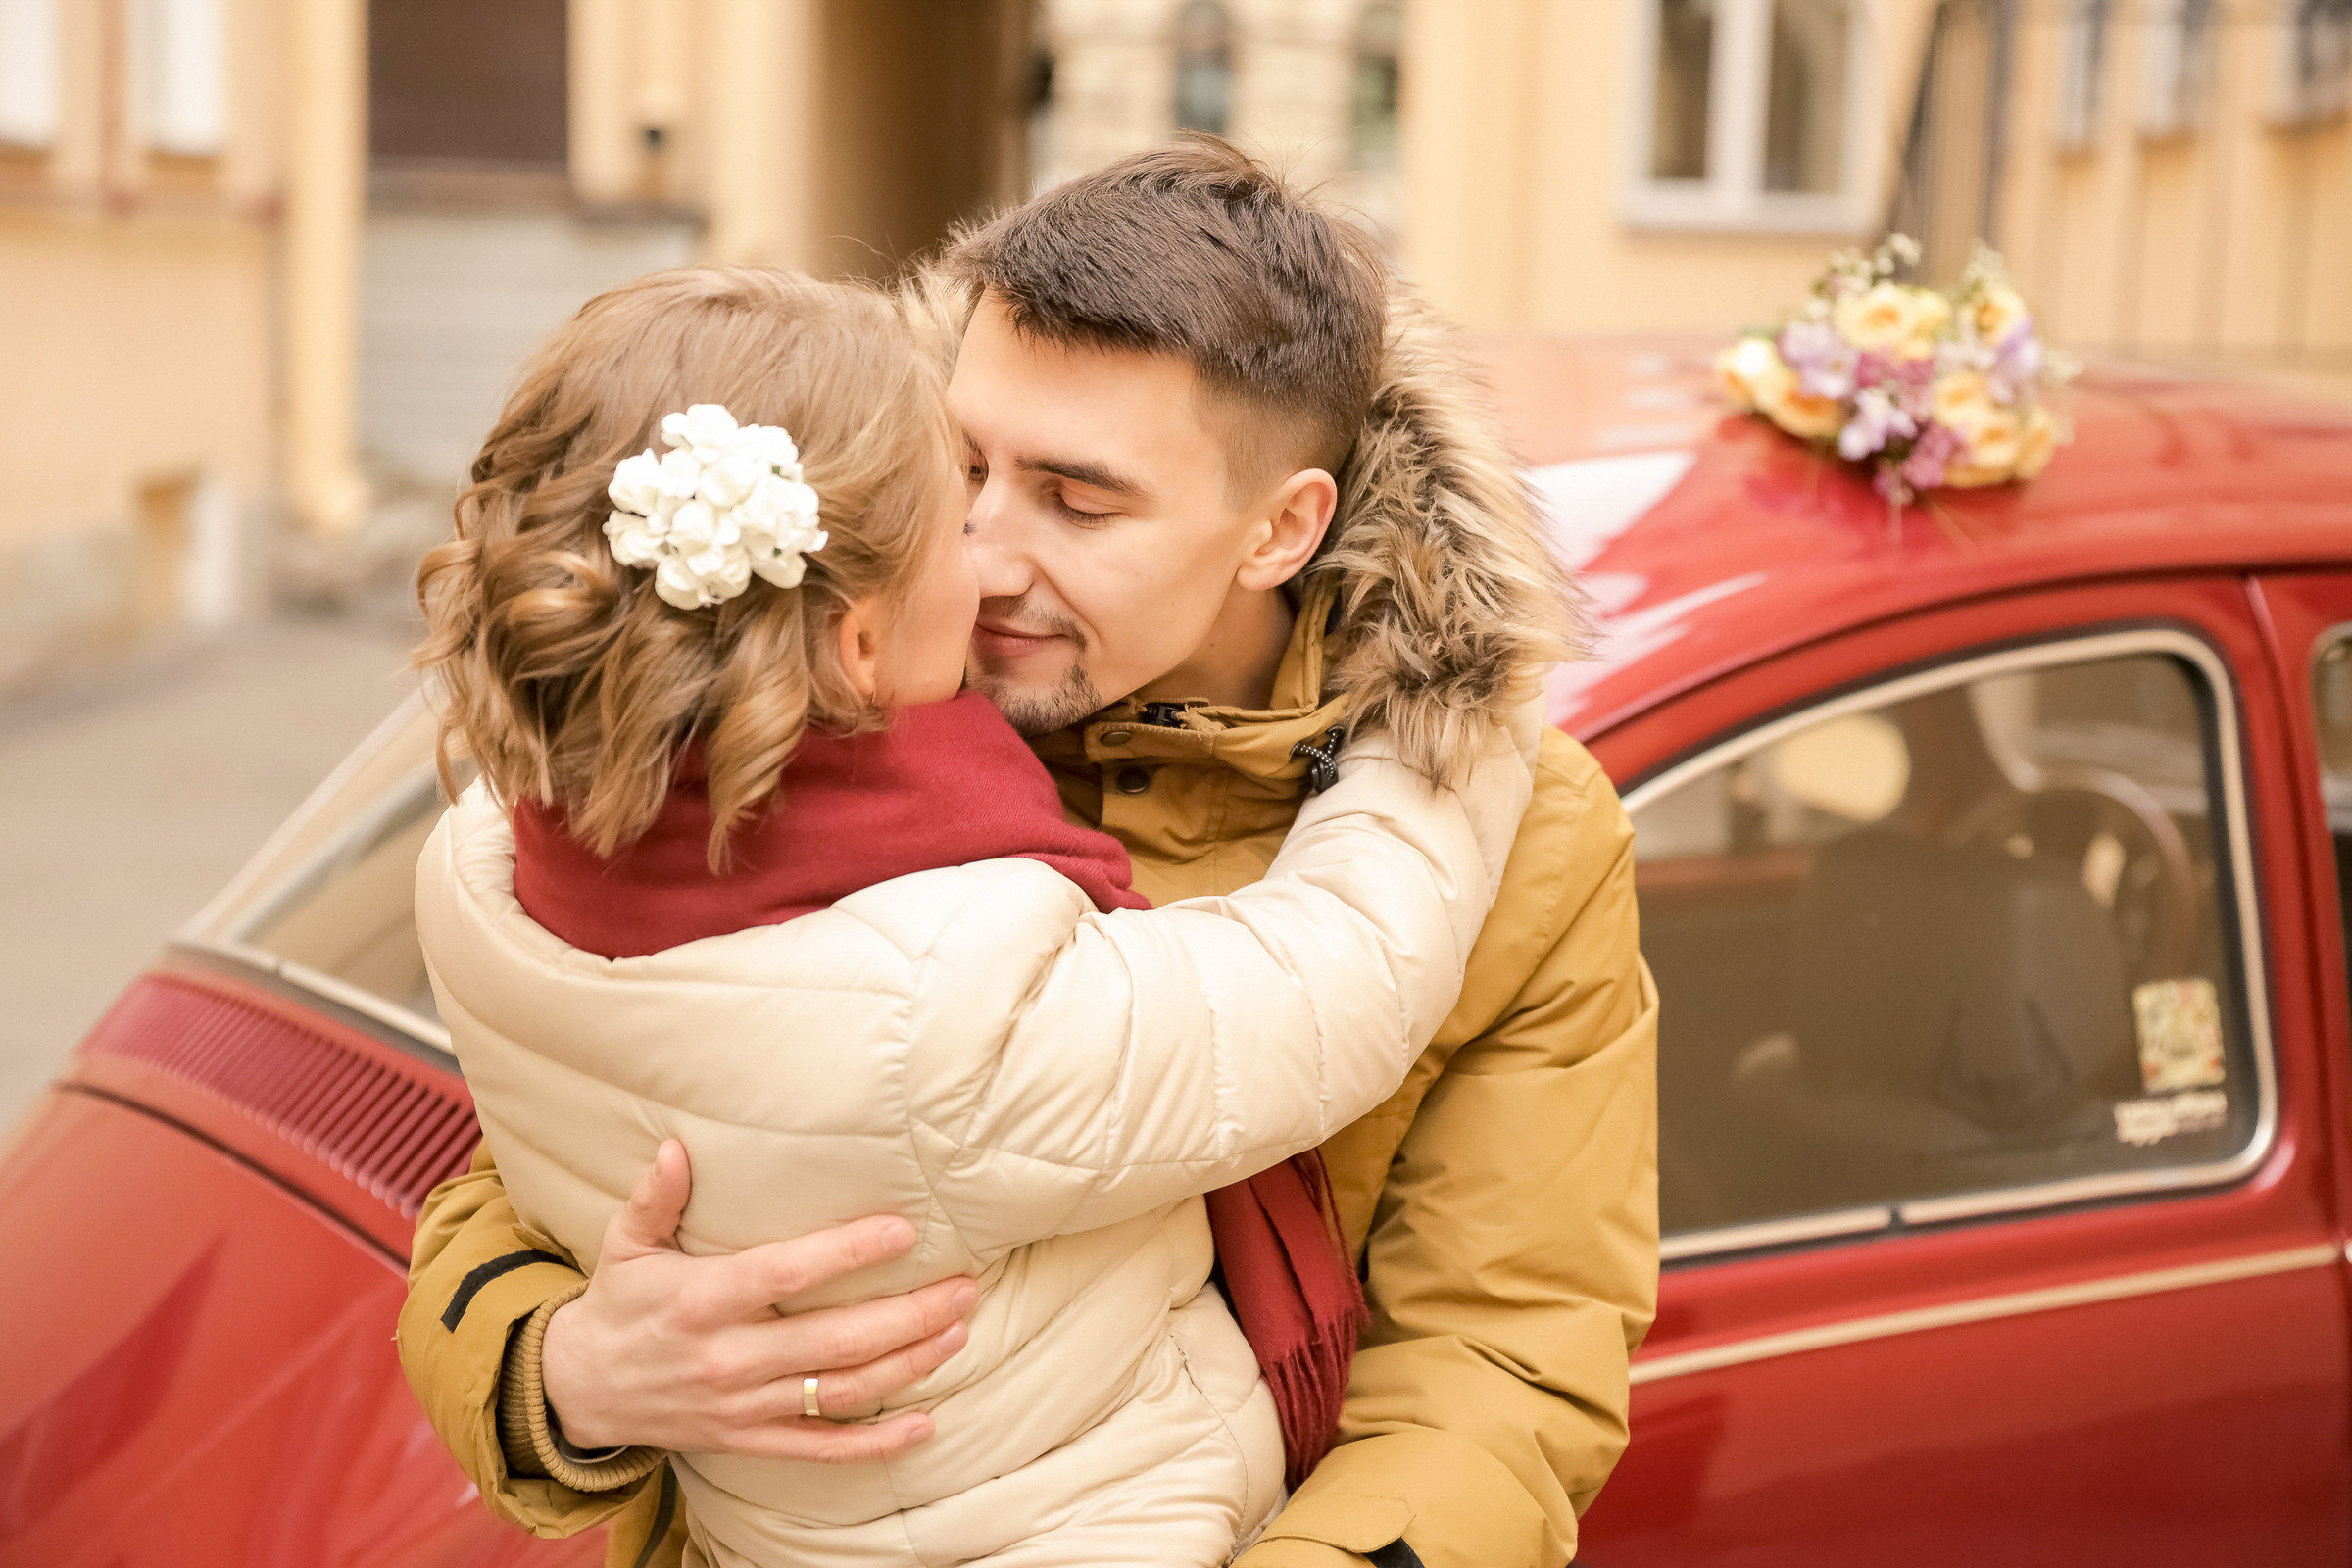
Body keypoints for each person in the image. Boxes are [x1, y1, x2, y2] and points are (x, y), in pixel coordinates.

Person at [400, 137, 1659, 1568]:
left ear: (1281, 529)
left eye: (1079, 500)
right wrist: (564, 1378)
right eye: (965, 467)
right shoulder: (828, 720)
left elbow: (1501, 1365)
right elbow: (536, 1161)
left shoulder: (1514, 835)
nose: (986, 554)